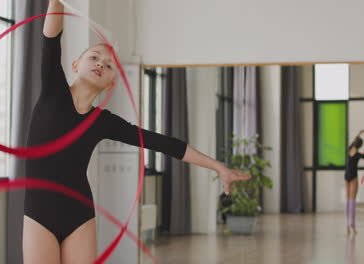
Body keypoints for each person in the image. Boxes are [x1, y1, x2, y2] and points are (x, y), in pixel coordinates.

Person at [22, 1, 251, 263]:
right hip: (39, 213)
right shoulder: (53, 91)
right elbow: (51, 37)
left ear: (111, 84)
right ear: (75, 65)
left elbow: (165, 144)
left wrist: (218, 167)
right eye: (94, 57)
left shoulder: (103, 122)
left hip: (79, 215)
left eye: (108, 66)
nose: (100, 64)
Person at [345, 130, 364, 235]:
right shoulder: (358, 154)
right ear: (360, 146)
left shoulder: (349, 150)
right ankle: (352, 226)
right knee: (352, 201)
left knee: (348, 201)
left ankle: (347, 226)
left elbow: (353, 142)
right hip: (353, 178)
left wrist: (359, 133)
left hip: (346, 177)